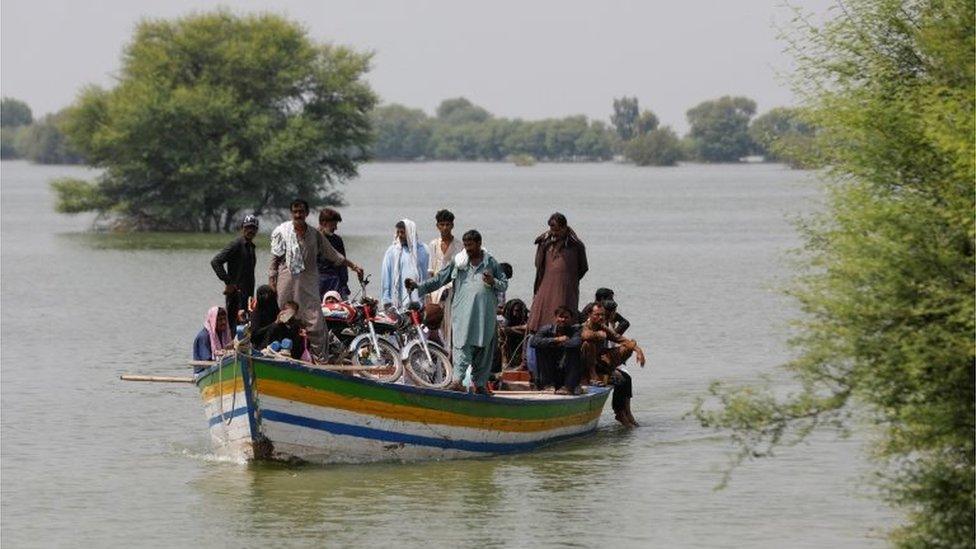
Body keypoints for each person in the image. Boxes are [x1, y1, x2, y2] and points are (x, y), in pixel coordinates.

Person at [406, 229, 508, 394]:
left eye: (471, 245)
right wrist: (419, 287)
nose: (467, 248)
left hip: (485, 315)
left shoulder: (491, 262)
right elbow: (440, 279)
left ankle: (480, 385)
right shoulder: (459, 262)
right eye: (466, 245)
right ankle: (457, 381)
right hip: (463, 315)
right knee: (461, 347)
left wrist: (493, 281)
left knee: (484, 349)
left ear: (479, 244)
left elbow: (504, 283)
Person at [270, 199, 364, 362]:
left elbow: (334, 255)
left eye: (301, 212)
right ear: (292, 213)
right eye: (295, 212)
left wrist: (353, 266)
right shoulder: (282, 232)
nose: (298, 215)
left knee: (316, 325)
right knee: (283, 320)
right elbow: (274, 260)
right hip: (286, 283)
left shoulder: (315, 235)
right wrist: (272, 281)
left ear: (307, 214)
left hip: (308, 285)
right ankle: (280, 357)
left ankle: (320, 362)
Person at [580, 301, 646, 427]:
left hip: (601, 362)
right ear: (589, 314)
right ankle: (593, 375)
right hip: (584, 364)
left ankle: (624, 413)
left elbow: (620, 339)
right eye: (597, 315)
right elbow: (585, 335)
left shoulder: (603, 327)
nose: (601, 318)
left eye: (602, 315)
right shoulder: (583, 325)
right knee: (588, 342)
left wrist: (639, 351)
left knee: (628, 348)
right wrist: (598, 335)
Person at [527, 212, 588, 333]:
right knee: (539, 318)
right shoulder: (545, 242)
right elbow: (538, 265)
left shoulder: (575, 245)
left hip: (567, 288)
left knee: (565, 318)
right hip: (546, 285)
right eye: (551, 229)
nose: (554, 233)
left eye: (557, 230)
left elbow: (583, 268)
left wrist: (568, 279)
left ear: (564, 227)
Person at [211, 215, 259, 334]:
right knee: (234, 326)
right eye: (247, 227)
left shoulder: (251, 247)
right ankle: (232, 350)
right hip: (235, 295)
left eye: (253, 228)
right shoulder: (236, 244)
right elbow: (216, 261)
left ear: (256, 230)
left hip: (247, 295)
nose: (250, 230)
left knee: (245, 326)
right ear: (242, 228)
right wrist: (229, 282)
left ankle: (243, 350)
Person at [427, 210, 463, 347]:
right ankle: (436, 360)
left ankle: (449, 359)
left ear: (452, 225)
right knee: (434, 327)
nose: (445, 228)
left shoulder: (459, 246)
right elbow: (431, 271)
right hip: (436, 292)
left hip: (452, 291)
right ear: (437, 226)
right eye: (442, 224)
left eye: (448, 224)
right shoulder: (433, 245)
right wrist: (429, 296)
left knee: (450, 327)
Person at [530, 305, 584, 394]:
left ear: (571, 319)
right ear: (556, 317)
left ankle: (568, 387)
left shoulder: (575, 330)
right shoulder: (546, 329)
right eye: (561, 317)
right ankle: (547, 385)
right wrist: (556, 340)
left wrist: (562, 342)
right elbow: (534, 341)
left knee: (573, 350)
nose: (563, 320)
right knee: (542, 347)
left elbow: (576, 342)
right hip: (549, 369)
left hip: (566, 369)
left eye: (566, 317)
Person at [381, 219, 429, 310]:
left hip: (420, 301)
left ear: (410, 233)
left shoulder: (423, 250)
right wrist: (386, 300)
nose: (399, 235)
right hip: (398, 302)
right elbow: (385, 277)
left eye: (402, 232)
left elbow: (428, 276)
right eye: (398, 232)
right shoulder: (392, 252)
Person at [317, 208, 351, 300]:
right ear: (324, 223)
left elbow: (343, 266)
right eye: (333, 225)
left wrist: (344, 285)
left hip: (336, 283)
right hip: (317, 283)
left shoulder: (337, 240)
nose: (336, 228)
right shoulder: (312, 239)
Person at [249, 284, 279, 349]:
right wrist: (273, 324)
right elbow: (255, 334)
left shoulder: (275, 309)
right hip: (261, 343)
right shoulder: (257, 313)